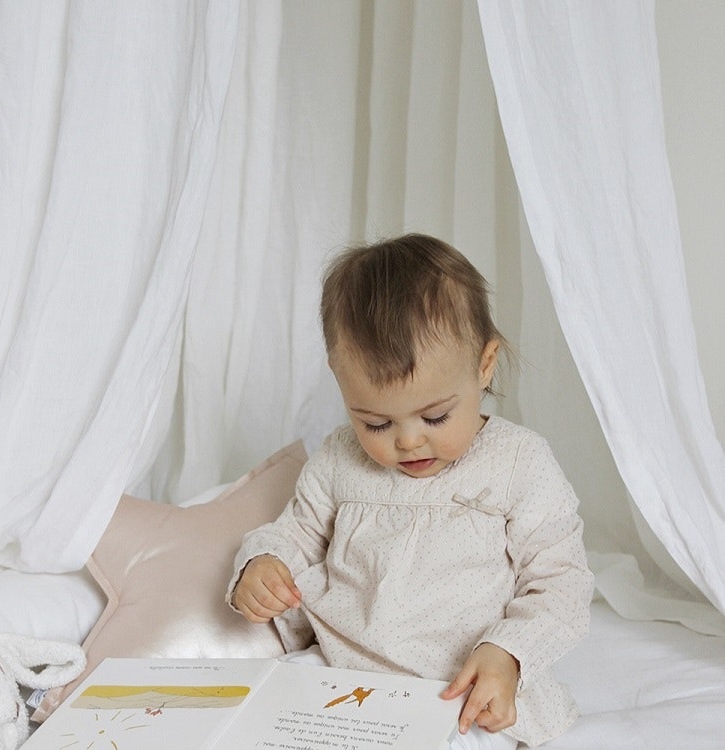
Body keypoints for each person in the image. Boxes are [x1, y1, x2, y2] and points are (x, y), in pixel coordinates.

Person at [227, 233, 594, 748]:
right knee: (259, 723)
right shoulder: (337, 459)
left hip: (463, 684)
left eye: (436, 415)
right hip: (341, 670)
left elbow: (562, 584)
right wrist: (263, 564)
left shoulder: (518, 463)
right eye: (375, 423)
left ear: (484, 366)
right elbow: (295, 533)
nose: (408, 440)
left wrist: (508, 652)